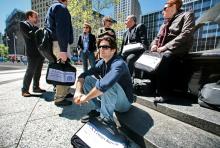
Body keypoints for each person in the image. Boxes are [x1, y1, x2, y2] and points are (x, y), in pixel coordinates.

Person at [73, 36, 133, 134]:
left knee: (107, 84)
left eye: (105, 47)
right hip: (113, 96)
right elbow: (83, 75)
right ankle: (99, 109)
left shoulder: (119, 63)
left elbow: (105, 85)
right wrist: (77, 92)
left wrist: (85, 98)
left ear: (113, 50)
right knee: (87, 79)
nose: (101, 49)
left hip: (124, 104)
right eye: (100, 47)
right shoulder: (102, 62)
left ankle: (107, 120)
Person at [149, 0, 195, 102]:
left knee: (165, 57)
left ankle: (164, 94)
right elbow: (157, 38)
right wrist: (154, 45)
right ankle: (152, 87)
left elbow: (186, 34)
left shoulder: (187, 15)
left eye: (164, 8)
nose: (162, 12)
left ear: (174, 6)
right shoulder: (165, 22)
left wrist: (166, 47)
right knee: (150, 56)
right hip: (163, 48)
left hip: (178, 48)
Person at [45, 0, 73, 106]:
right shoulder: (60, 7)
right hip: (60, 43)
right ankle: (60, 98)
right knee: (62, 69)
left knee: (63, 67)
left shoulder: (52, 8)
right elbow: (62, 29)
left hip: (55, 42)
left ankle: (64, 92)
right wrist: (63, 50)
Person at [20, 10, 45, 97]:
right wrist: (36, 28)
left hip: (40, 53)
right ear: (29, 17)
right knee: (30, 71)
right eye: (35, 17)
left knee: (38, 71)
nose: (37, 18)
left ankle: (36, 87)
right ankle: (24, 90)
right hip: (32, 52)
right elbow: (29, 35)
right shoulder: (23, 24)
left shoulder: (36, 27)